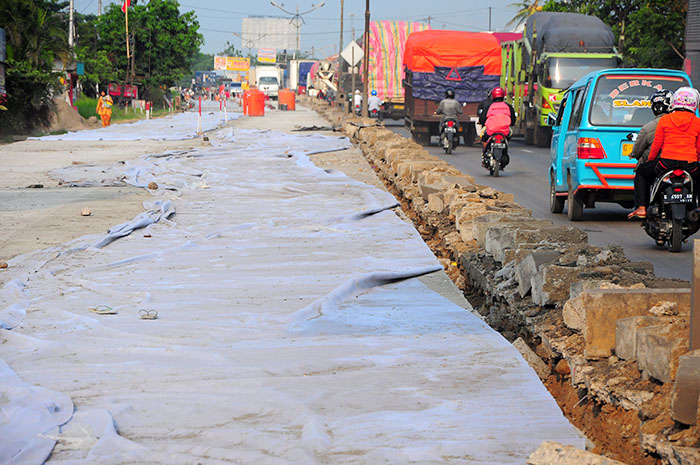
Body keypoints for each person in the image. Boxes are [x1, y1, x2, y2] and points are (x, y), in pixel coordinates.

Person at [628, 87, 700, 219]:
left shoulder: (665, 120)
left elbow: (656, 145)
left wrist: (650, 160)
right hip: (691, 166)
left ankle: (642, 208)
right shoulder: (698, 122)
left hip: (666, 164)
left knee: (641, 172)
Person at [629, 89, 674, 170]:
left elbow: (636, 153)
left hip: (657, 166)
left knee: (640, 173)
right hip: (683, 165)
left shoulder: (648, 128)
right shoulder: (684, 123)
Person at [478, 86, 515, 162]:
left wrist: (483, 123)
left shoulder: (489, 107)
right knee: (508, 137)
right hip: (505, 132)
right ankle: (504, 151)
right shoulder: (508, 106)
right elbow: (513, 119)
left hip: (491, 131)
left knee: (484, 138)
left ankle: (484, 152)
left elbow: (482, 119)